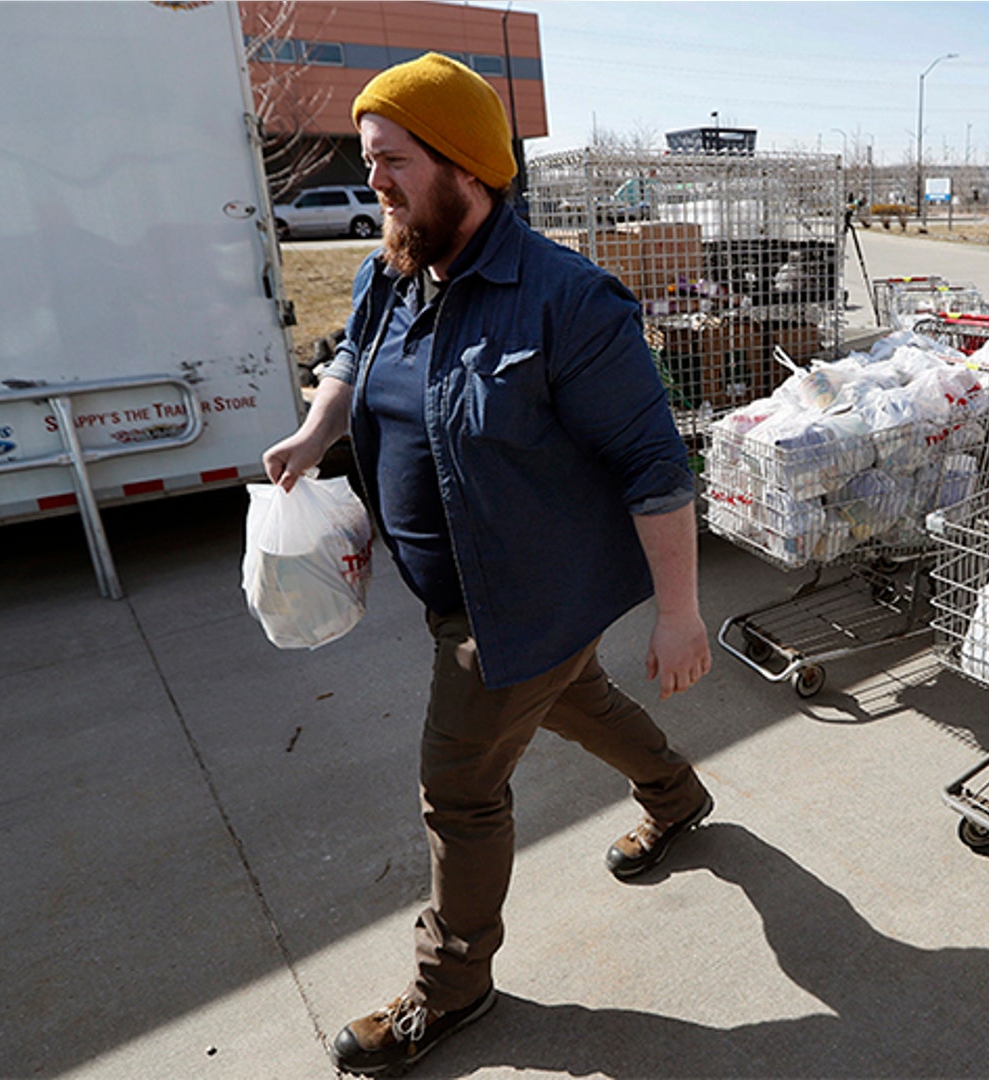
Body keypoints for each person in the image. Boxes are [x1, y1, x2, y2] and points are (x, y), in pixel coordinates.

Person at [262, 53, 714, 1075]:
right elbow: (348, 358)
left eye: (388, 160)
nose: (370, 179)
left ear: (464, 165)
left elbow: (653, 464)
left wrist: (679, 613)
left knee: (459, 790)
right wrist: (313, 432)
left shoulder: (567, 301)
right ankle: (677, 795)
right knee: (572, 695)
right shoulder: (400, 265)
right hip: (457, 588)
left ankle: (450, 987)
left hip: (523, 596)